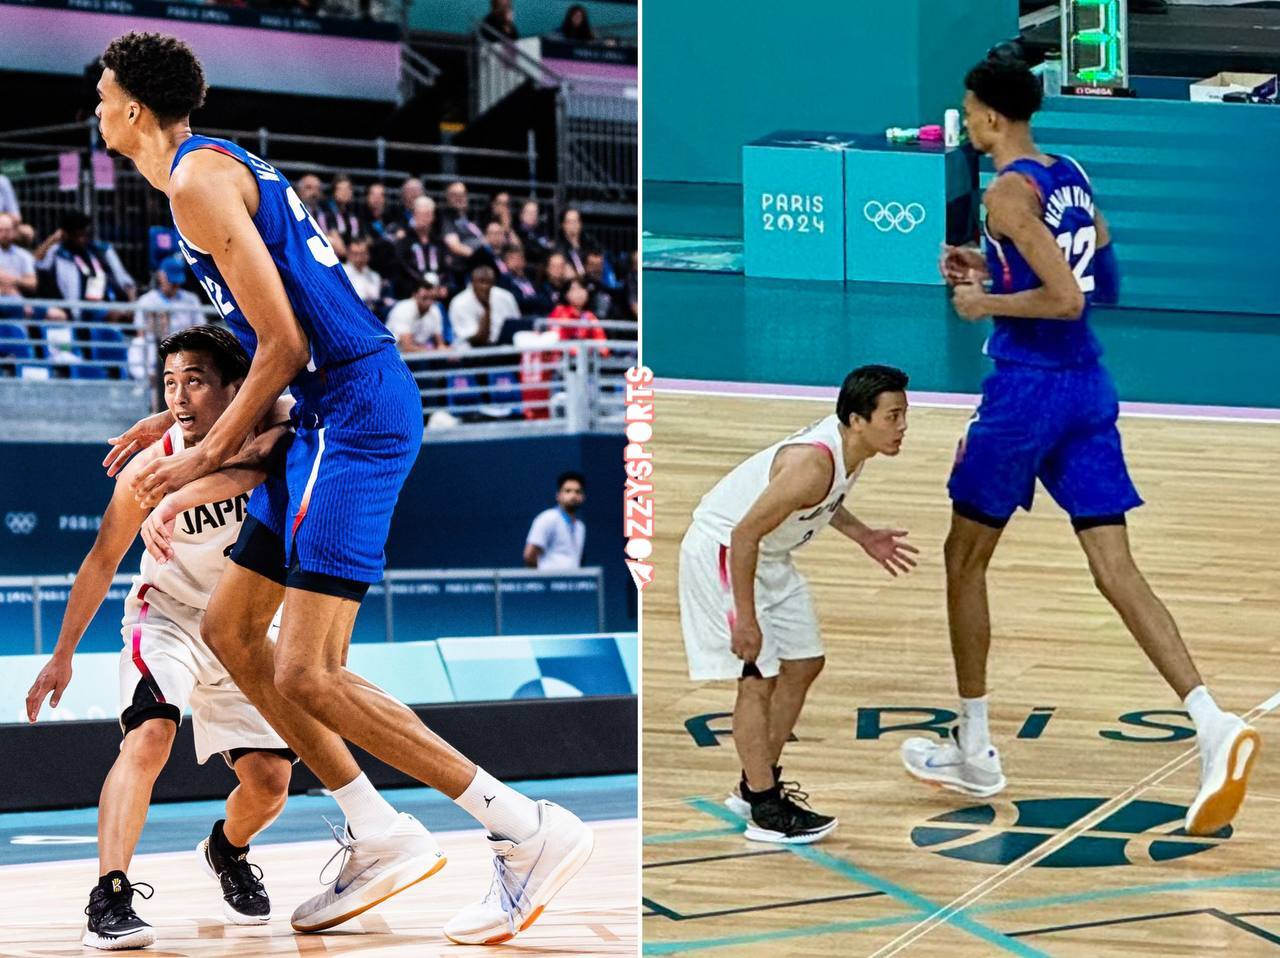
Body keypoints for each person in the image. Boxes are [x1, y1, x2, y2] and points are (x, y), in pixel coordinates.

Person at [95, 31, 593, 942]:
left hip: (351, 412)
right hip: (328, 411)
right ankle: (377, 830)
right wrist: (175, 426)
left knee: (307, 670)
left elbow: (285, 345)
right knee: (229, 628)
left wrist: (199, 459)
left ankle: (523, 829)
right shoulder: (207, 176)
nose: (96, 108)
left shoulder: (198, 184)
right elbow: (270, 343)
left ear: (133, 108)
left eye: (102, 94)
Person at [904, 50, 1260, 837]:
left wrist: (984, 302)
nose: (965, 122)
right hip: (1090, 388)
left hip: (1028, 392)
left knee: (964, 559)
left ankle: (976, 749)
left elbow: (1063, 300)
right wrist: (989, 262)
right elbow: (1102, 270)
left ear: (992, 116)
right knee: (1114, 566)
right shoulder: (1069, 172)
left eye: (968, 110)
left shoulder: (1004, 191)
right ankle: (1210, 721)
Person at [25, 326, 295, 950]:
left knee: (270, 784)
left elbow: (286, 399)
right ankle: (109, 894)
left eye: (195, 381)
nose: (179, 396)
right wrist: (62, 655)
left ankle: (226, 850)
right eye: (169, 383)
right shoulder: (148, 468)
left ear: (235, 388)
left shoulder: (269, 437)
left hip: (246, 624)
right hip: (167, 616)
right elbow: (100, 561)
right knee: (150, 734)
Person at [679, 365, 916, 843]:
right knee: (757, 677)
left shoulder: (853, 453)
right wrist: (745, 619)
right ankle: (764, 808)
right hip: (725, 552)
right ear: (857, 420)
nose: (902, 426)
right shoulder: (812, 464)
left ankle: (755, 782)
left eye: (903, 415)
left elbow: (824, 504)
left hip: (769, 554)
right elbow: (743, 534)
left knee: (806, 662)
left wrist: (864, 536)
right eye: (892, 416)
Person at [524, 472, 586, 570]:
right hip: (549, 582)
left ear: (583, 497)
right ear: (558, 495)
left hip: (572, 583)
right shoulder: (548, 518)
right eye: (568, 491)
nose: (573, 495)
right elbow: (529, 555)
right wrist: (542, 580)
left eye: (578, 492)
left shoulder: (580, 527)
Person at [449, 264, 520, 347]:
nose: (486, 286)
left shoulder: (506, 297)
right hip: (472, 353)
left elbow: (517, 327)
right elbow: (479, 341)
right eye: (481, 282)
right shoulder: (459, 302)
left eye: (490, 282)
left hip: (504, 349)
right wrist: (487, 309)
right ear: (472, 282)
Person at [392, 196, 445, 297]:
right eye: (420, 214)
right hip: (411, 294)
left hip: (437, 293)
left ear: (433, 217)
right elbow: (402, 269)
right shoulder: (404, 241)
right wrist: (421, 287)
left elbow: (445, 269)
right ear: (413, 216)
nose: (423, 218)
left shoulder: (439, 242)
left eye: (427, 214)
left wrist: (443, 286)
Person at [386, 275, 449, 352]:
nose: (429, 295)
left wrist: (447, 351)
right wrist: (432, 351)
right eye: (425, 296)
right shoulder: (403, 309)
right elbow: (407, 347)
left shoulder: (435, 310)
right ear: (414, 294)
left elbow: (440, 344)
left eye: (432, 296)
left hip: (420, 354)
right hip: (394, 354)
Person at [341, 237, 389, 319]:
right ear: (348, 254)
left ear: (368, 255)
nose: (359, 258)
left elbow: (375, 298)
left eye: (363, 253)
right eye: (355, 254)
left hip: (372, 315)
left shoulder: (375, 276)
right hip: (349, 313)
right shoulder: (341, 272)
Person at [498, 244, 549, 316]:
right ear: (506, 263)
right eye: (512, 259)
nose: (517, 262)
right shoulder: (504, 281)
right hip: (521, 317)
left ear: (524, 261)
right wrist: (535, 299)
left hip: (540, 315)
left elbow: (545, 299)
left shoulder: (532, 278)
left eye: (519, 258)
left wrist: (532, 299)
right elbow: (518, 301)